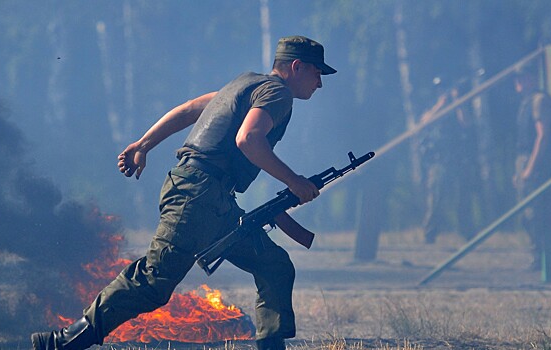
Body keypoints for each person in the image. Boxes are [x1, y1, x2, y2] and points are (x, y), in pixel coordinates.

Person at [30, 35, 336, 350]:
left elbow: (190, 109)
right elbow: (249, 139)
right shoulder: (277, 93)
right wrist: (294, 181)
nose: (320, 84)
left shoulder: (243, 85)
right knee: (153, 281)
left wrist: (144, 143)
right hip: (197, 196)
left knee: (273, 264)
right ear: (296, 66)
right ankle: (62, 342)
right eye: (317, 74)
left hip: (213, 199)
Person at [419, 77, 482, 244]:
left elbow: (467, 123)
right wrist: (441, 104)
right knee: (436, 199)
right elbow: (425, 122)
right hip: (438, 161)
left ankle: (468, 233)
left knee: (463, 199)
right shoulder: (433, 108)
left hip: (458, 160)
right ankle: (430, 233)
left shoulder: (460, 107)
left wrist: (458, 102)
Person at [512, 65, 551, 271]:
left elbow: (542, 135)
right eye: (517, 79)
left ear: (532, 78)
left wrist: (531, 167)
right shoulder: (526, 102)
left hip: (535, 161)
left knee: (534, 213)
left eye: (523, 78)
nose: (519, 83)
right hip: (523, 158)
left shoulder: (539, 101)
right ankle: (536, 254)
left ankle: (540, 257)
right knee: (526, 213)